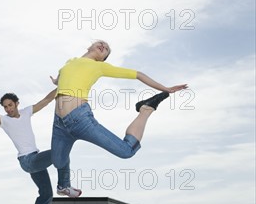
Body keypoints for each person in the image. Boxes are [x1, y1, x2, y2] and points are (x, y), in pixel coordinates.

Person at [51, 40, 188, 195]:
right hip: (59, 124)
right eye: (102, 43)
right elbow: (61, 76)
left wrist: (166, 89)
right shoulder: (70, 62)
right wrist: (56, 81)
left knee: (126, 152)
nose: (104, 46)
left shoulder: (99, 67)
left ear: (102, 59)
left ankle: (145, 109)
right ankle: (63, 186)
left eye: (106, 50)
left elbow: (138, 75)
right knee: (57, 161)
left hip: (81, 120)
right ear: (89, 46)